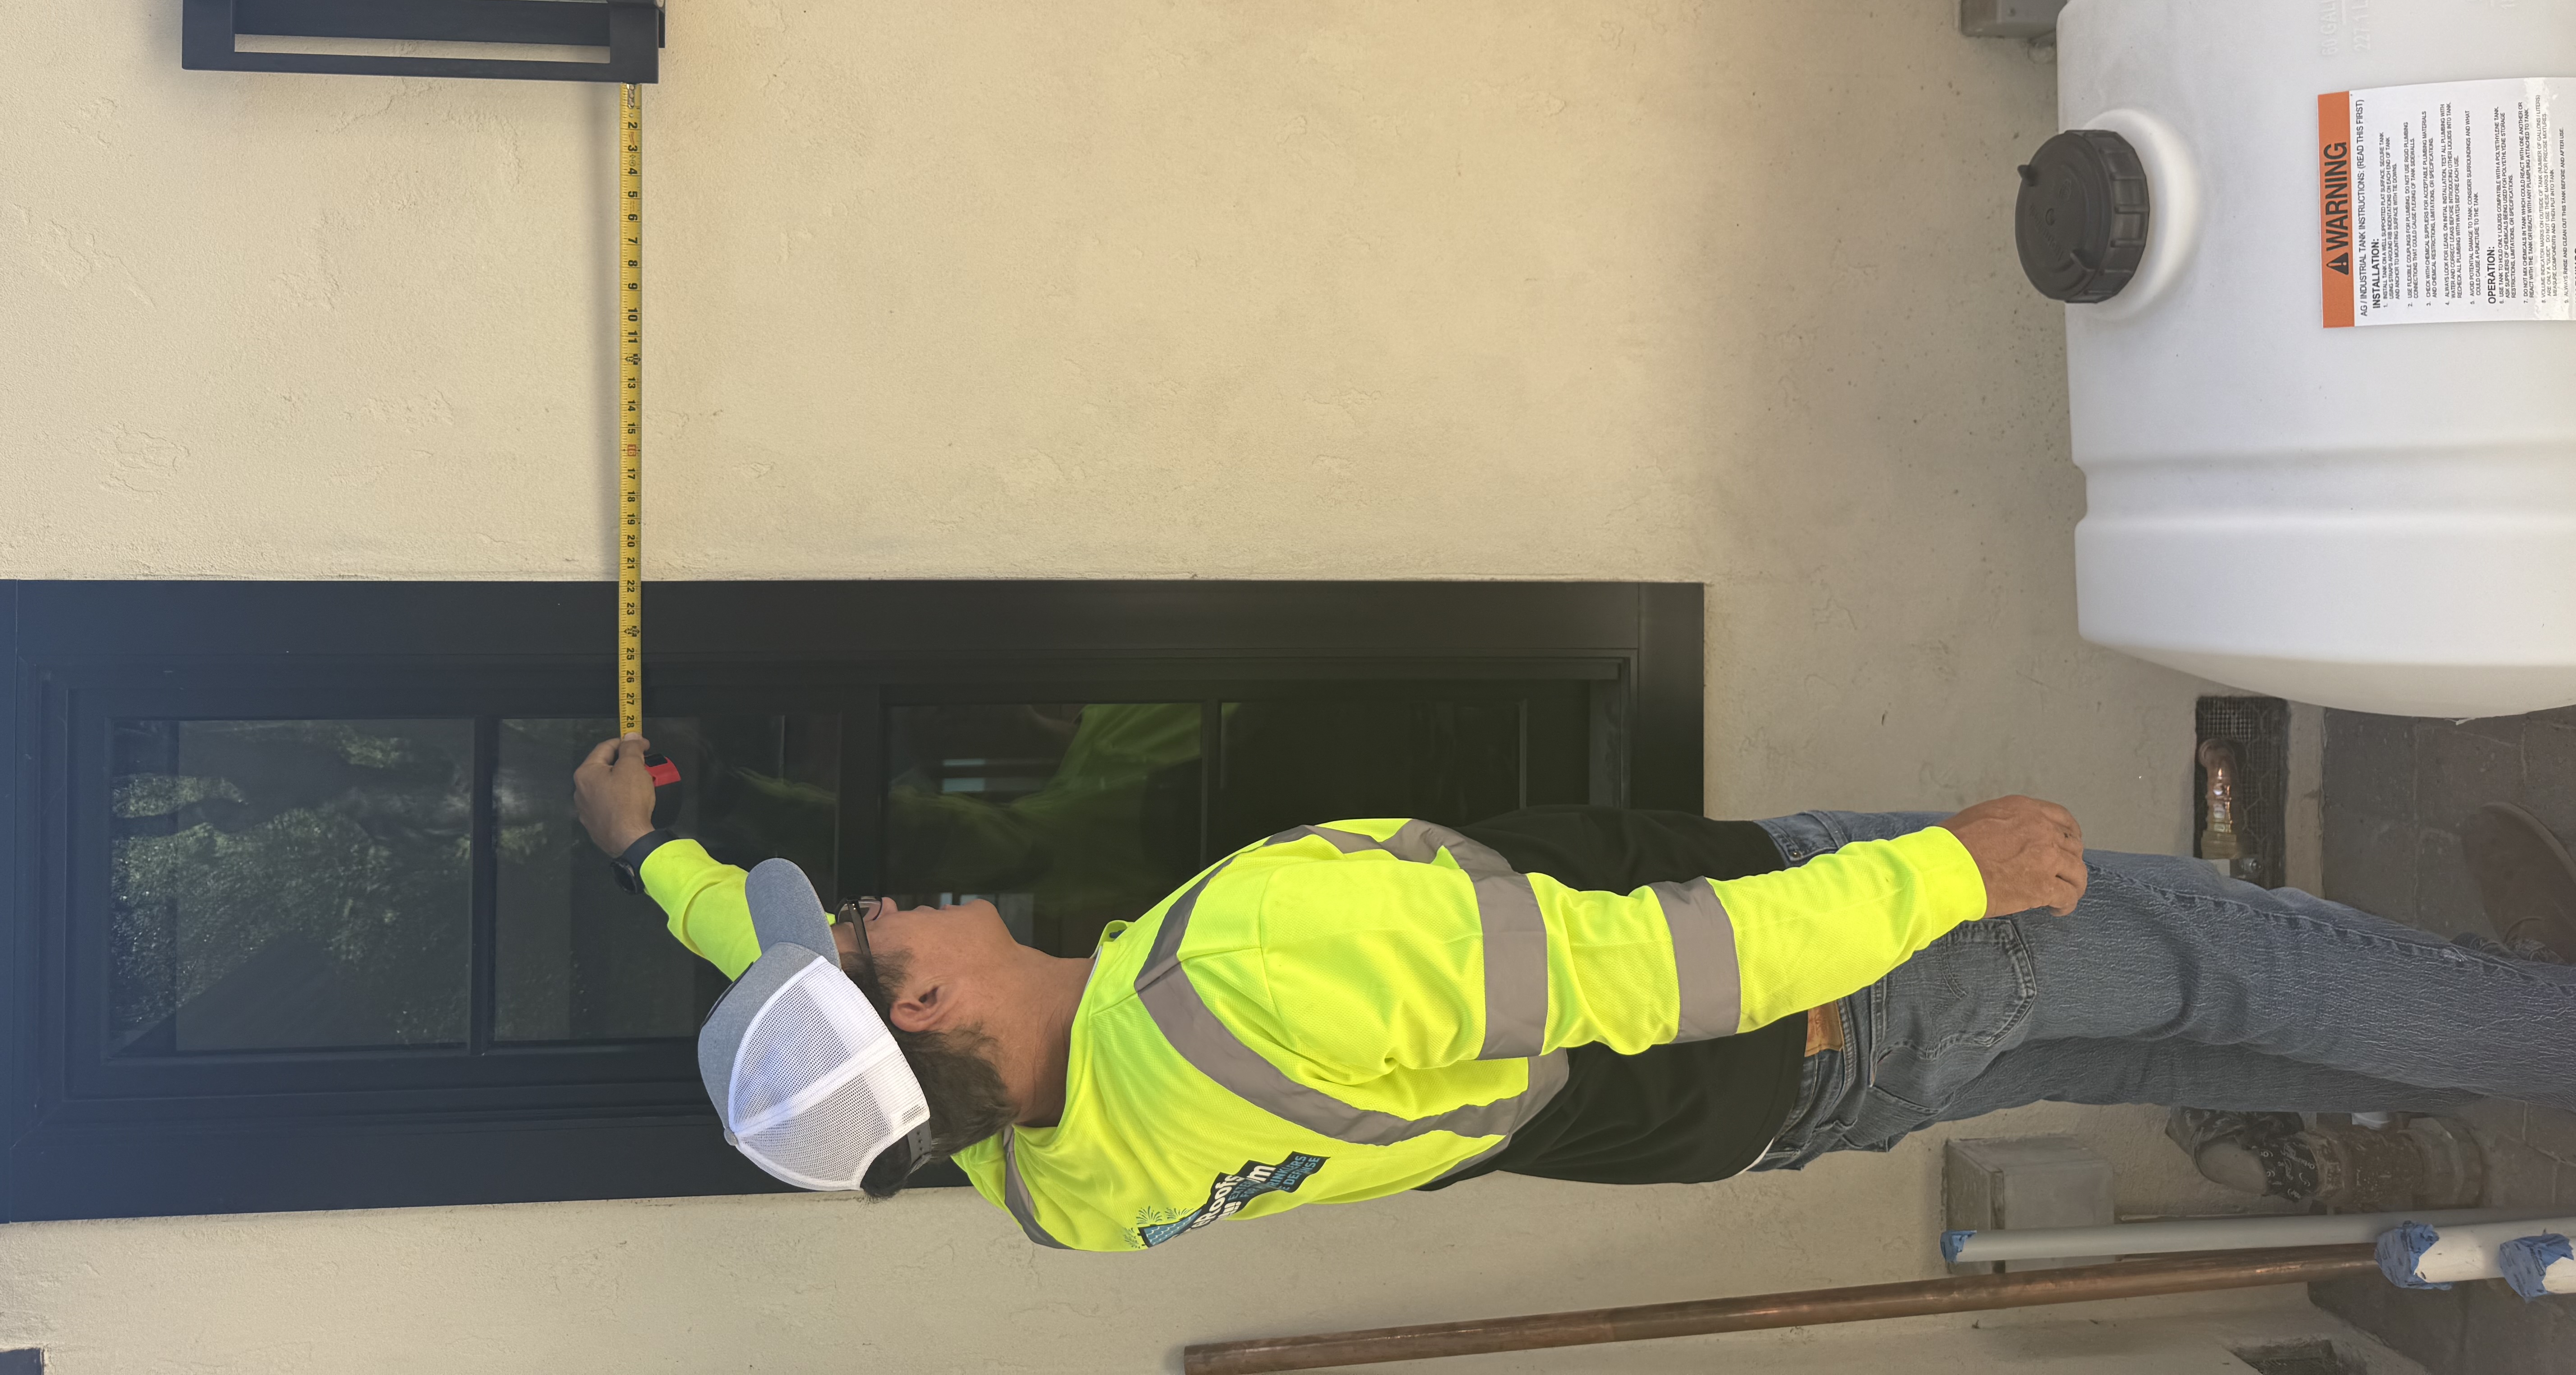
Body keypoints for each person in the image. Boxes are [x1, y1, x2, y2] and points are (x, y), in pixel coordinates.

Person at [572, 737, 2576, 1253]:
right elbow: (1660, 961)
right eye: (866, 946)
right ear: (927, 1017)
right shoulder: (1248, 964)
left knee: (2190, 1035)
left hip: (1775, 1113)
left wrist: (654, 864)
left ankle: (2508, 1008)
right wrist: (1949, 874)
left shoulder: (1052, 1175)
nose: (873, 905)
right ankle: (2543, 1017)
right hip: (1823, 983)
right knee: (2237, 953)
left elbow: (806, 1017)